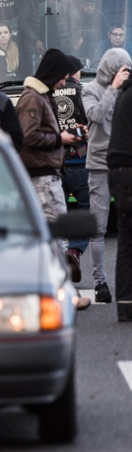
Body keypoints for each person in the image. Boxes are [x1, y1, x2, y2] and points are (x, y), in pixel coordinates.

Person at [16, 48, 92, 310]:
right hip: (43, 178)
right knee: (59, 237)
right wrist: (61, 139)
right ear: (51, 74)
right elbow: (29, 137)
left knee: (47, 239)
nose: (64, 81)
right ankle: (66, 296)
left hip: (45, 176)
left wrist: (68, 132)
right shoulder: (33, 99)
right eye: (61, 76)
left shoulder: (39, 97)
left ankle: (49, 293)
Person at [82, 48, 131, 304]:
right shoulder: (89, 89)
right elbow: (97, 116)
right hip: (100, 163)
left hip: (125, 165)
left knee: (128, 227)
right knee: (99, 227)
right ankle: (100, 282)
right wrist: (113, 88)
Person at [54, 56, 91, 282]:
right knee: (87, 208)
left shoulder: (48, 94)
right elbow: (91, 124)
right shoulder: (83, 93)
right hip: (81, 162)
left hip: (56, 163)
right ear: (75, 72)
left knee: (59, 209)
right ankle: (75, 250)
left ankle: (58, 256)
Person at [107, 75, 132, 321]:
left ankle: (126, 305)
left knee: (126, 241)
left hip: (118, 172)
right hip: (129, 171)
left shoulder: (126, 92)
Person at [18, 0, 74, 75]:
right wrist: (35, 40)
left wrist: (57, 6)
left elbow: (74, 17)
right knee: (37, 79)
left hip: (60, 43)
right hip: (38, 45)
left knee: (61, 77)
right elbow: (22, 20)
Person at [72, 0, 109, 64]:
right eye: (87, 5)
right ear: (80, 5)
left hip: (94, 51)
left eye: (92, 5)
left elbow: (105, 34)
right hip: (76, 51)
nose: (90, 8)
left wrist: (83, 36)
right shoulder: (74, 16)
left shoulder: (99, 15)